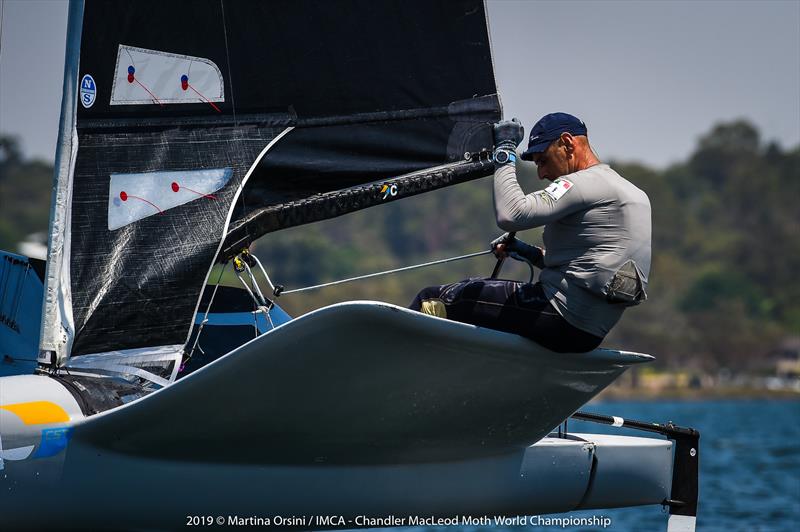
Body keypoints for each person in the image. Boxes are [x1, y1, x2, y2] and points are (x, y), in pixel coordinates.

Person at [410, 113, 651, 353]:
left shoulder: (582, 183)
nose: (541, 174)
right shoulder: (632, 193)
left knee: (436, 299)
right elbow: (588, 267)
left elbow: (511, 214)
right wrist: (526, 252)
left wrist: (504, 151)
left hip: (557, 316)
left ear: (567, 144)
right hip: (588, 334)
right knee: (474, 294)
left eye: (542, 160)